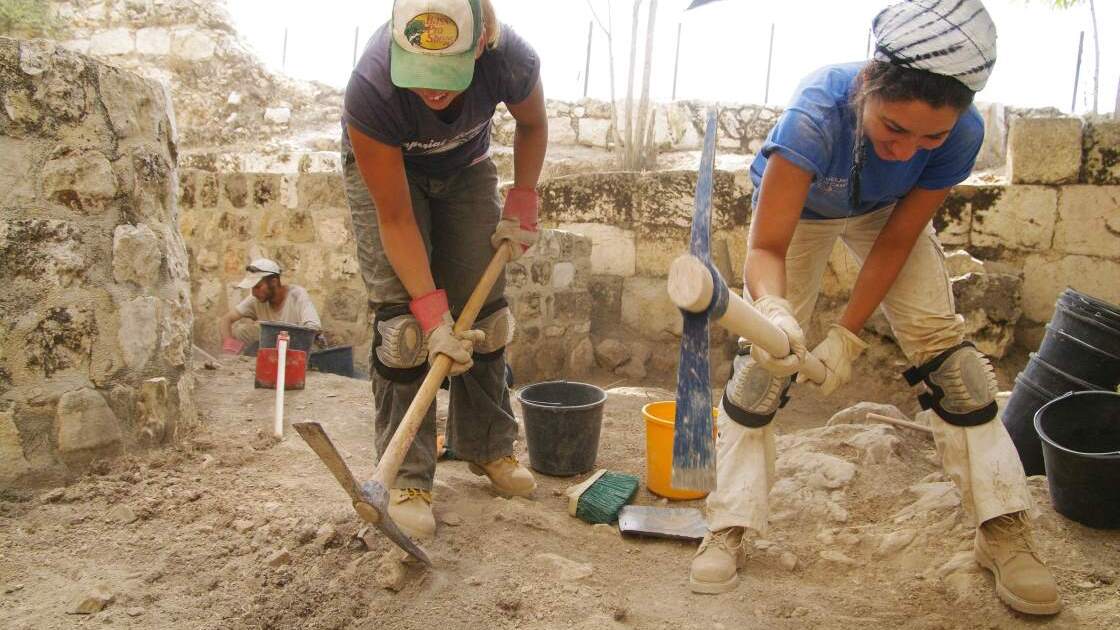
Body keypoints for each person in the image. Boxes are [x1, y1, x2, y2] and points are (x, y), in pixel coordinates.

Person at [688, 0, 1061, 615]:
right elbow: (767, 246)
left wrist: (847, 335)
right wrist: (776, 312)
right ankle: (728, 524)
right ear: (867, 86)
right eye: (893, 129)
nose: (906, 149)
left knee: (950, 360)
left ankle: (1002, 529)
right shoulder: (816, 116)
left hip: (886, 216)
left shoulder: (963, 134)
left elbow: (896, 239)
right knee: (762, 368)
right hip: (803, 214)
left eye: (929, 137)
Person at [340, 0, 547, 541]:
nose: (433, 93)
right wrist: (432, 317)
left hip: (466, 167)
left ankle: (487, 447)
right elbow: (396, 218)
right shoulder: (373, 87)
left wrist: (522, 199)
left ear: (480, 45)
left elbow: (531, 123)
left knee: (487, 313)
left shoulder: (510, 59)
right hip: (391, 176)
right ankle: (407, 477)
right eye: (422, 77)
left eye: (447, 76)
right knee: (404, 332)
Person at [219, 258, 323, 355]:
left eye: (258, 287)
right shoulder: (256, 298)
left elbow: (314, 328)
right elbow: (226, 320)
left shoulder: (297, 295)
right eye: (252, 288)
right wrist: (229, 346)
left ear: (274, 282)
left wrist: (285, 338)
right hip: (272, 347)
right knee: (242, 332)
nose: (254, 293)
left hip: (297, 349)